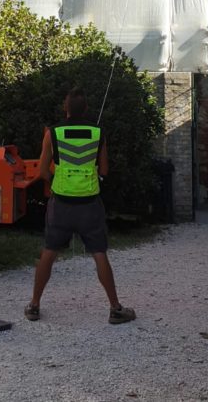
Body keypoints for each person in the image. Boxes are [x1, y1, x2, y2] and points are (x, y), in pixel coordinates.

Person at [25, 87, 136, 325]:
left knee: (49, 252)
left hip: (61, 203)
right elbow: (104, 170)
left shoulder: (52, 133)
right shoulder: (98, 133)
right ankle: (115, 308)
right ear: (86, 109)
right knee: (99, 253)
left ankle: (34, 305)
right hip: (89, 204)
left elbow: (43, 171)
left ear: (65, 109)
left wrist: (58, 182)